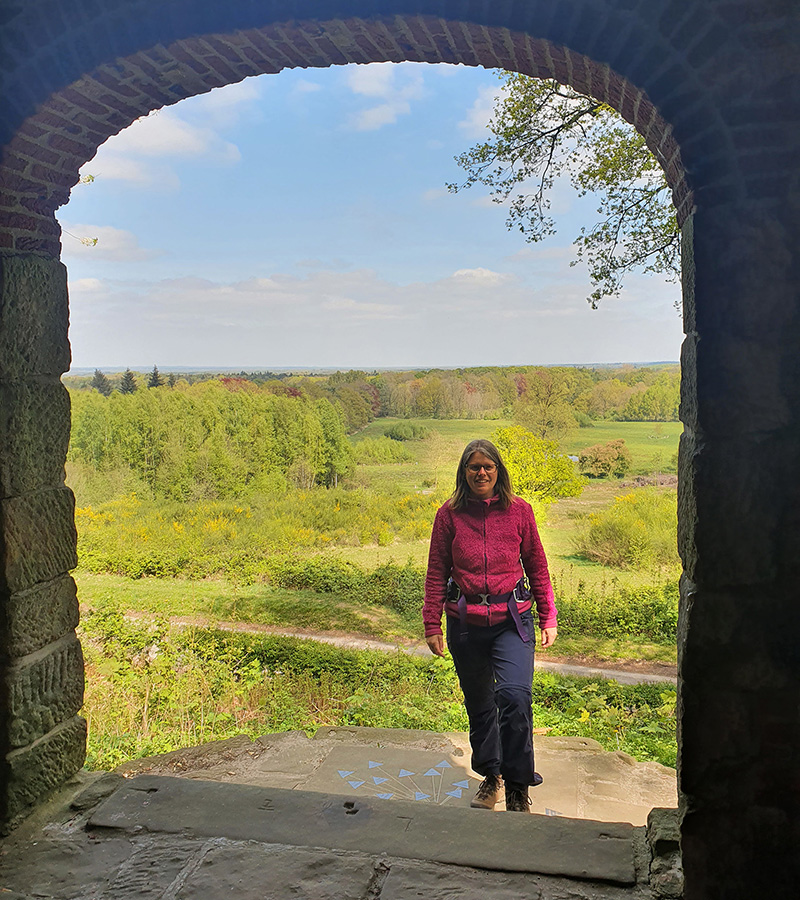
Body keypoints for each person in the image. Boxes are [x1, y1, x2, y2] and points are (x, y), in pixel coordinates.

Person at [423, 439, 558, 813]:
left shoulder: (519, 511)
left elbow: (537, 564)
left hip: (511, 621)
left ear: (499, 471)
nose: (481, 472)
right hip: (466, 625)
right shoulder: (449, 515)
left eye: (488, 466)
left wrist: (548, 615)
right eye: (474, 466)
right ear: (464, 472)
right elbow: (437, 570)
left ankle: (517, 786)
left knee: (515, 697)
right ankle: (492, 777)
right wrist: (432, 622)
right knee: (480, 703)